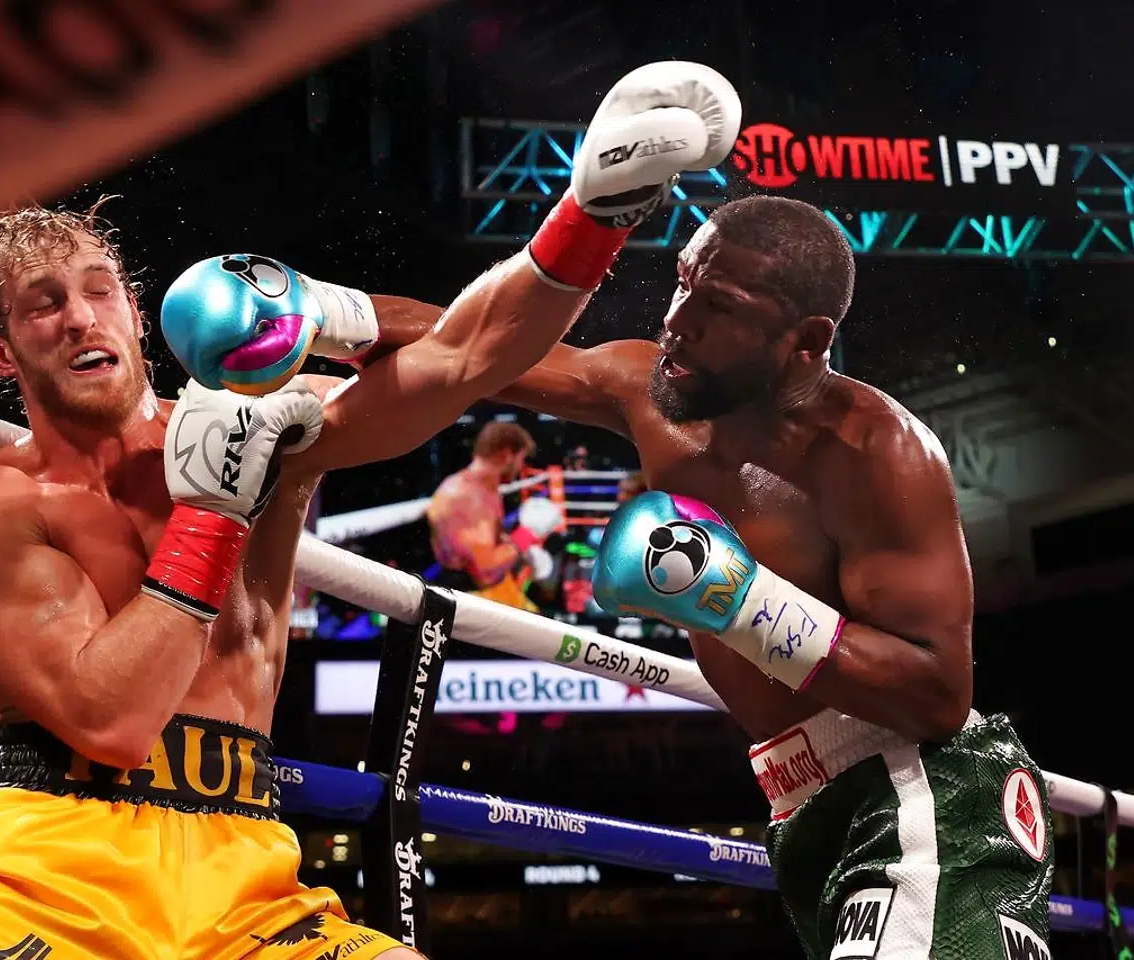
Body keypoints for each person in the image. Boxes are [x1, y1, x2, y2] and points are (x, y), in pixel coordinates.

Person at [0, 61, 742, 960]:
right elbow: (111, 719)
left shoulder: (266, 420)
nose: (80, 318)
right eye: (44, 307)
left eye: (97, 290)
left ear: (135, 313)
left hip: (248, 878)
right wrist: (212, 511)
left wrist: (589, 220)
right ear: (2, 351)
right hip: (45, 868)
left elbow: (461, 359)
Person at [354, 194, 1054, 960]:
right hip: (806, 805)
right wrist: (323, 315)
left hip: (925, 799)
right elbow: (476, 348)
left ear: (806, 341)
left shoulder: (876, 455)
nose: (676, 320)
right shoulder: (647, 387)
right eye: (684, 282)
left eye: (716, 305)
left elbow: (939, 695)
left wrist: (736, 597)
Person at [426, 421, 561, 612]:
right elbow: (485, 571)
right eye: (520, 459)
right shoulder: (468, 495)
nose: (521, 467)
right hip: (468, 600)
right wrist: (526, 535)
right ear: (507, 455)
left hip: (490, 593)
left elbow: (489, 542)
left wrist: (526, 553)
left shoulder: (487, 490)